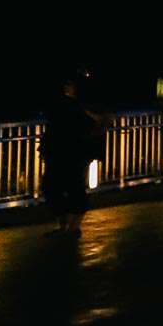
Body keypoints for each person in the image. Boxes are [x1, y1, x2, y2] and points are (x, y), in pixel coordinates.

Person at [42, 70, 103, 234]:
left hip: (69, 153)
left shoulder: (71, 107)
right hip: (69, 153)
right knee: (62, 188)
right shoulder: (75, 107)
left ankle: (70, 226)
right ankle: (69, 226)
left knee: (65, 188)